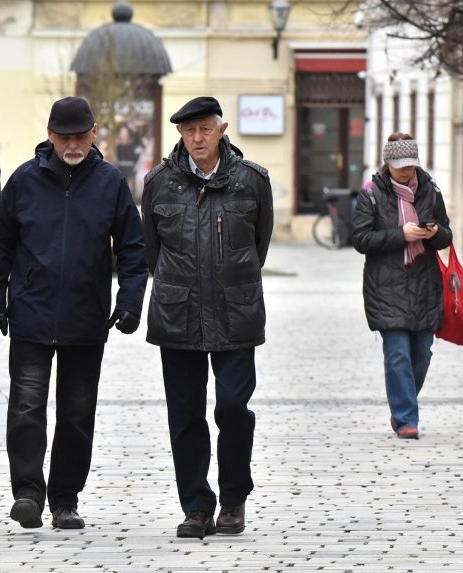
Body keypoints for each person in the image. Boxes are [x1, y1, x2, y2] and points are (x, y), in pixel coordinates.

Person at [0, 96, 148, 530]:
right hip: (31, 316)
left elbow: (133, 250)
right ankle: (29, 495)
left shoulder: (111, 183)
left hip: (86, 320)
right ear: (50, 136)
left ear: (94, 135)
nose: (72, 144)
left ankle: (65, 499)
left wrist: (130, 302)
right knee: (26, 408)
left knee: (76, 415)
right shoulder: (23, 181)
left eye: (80, 136)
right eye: (63, 136)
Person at [141, 96, 273, 539]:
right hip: (177, 314)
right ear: (180, 134)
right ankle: (196, 505)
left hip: (237, 312)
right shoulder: (159, 182)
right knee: (185, 415)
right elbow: (151, 251)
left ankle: (233, 500)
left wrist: (230, 281)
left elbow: (259, 245)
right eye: (189, 130)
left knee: (234, 408)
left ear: (222, 129)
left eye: (205, 129)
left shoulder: (252, 181)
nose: (197, 138)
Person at [350, 132, 452, 440]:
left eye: (409, 164)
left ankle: (402, 405)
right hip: (386, 285)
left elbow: (447, 235)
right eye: (399, 165)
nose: (405, 171)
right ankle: (407, 418)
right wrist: (400, 234)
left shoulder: (430, 191)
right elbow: (360, 239)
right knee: (397, 355)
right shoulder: (370, 194)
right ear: (387, 164)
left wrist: (434, 233)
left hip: (424, 283)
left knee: (422, 355)